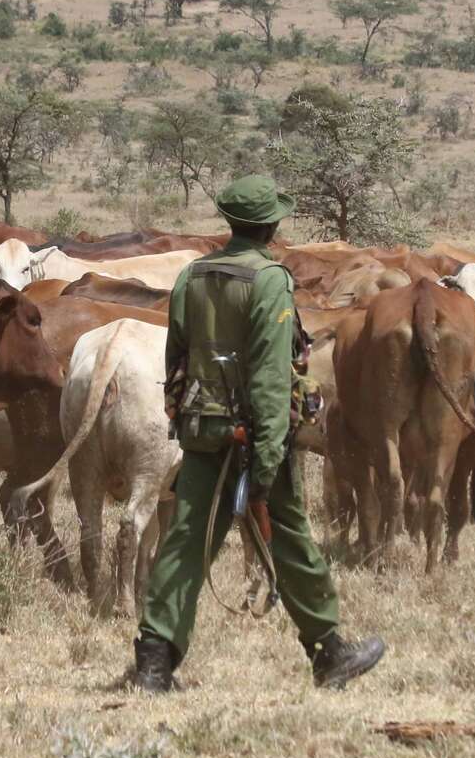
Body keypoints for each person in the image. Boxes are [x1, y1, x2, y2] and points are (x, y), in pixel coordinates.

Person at [132, 174, 386, 693]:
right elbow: (272, 377)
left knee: (185, 542)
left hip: (203, 430)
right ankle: (328, 651)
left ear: (230, 223)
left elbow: (175, 357)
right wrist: (268, 455)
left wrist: (186, 421)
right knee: (290, 541)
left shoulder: (192, 276)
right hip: (253, 437)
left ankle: (154, 663)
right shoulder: (270, 280)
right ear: (271, 225)